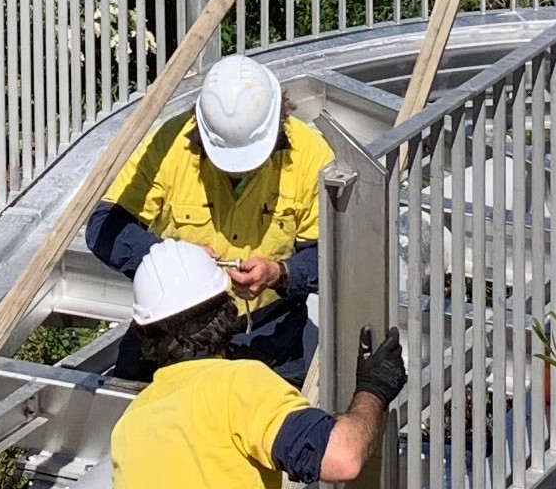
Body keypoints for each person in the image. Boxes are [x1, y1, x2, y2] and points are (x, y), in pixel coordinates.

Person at [88, 53, 334, 384]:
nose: (238, 170)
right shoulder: (171, 144)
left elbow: (332, 255)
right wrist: (175, 263)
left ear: (280, 120)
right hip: (172, 331)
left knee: (282, 426)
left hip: (269, 333)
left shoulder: (310, 155)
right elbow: (104, 227)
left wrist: (281, 273)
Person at [111, 238, 407, 489]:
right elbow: (342, 457)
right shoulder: (238, 385)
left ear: (145, 334)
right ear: (227, 311)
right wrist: (373, 391)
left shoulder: (129, 425)